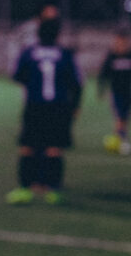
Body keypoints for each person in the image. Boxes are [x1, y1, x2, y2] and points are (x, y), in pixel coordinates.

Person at [6, 17, 83, 205]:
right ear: (57, 35)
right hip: (58, 107)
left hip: (34, 106)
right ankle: (53, 191)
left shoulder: (29, 52)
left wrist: (33, 82)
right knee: (54, 149)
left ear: (38, 34)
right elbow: (76, 82)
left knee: (27, 147)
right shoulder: (64, 54)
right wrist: (75, 106)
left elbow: (17, 75)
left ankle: (25, 189)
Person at [97, 29, 131, 155]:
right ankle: (122, 140)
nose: (121, 45)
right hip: (116, 92)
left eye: (123, 42)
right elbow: (103, 74)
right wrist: (101, 90)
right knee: (119, 117)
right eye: (118, 42)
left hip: (129, 92)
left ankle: (119, 138)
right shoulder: (111, 56)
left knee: (125, 117)